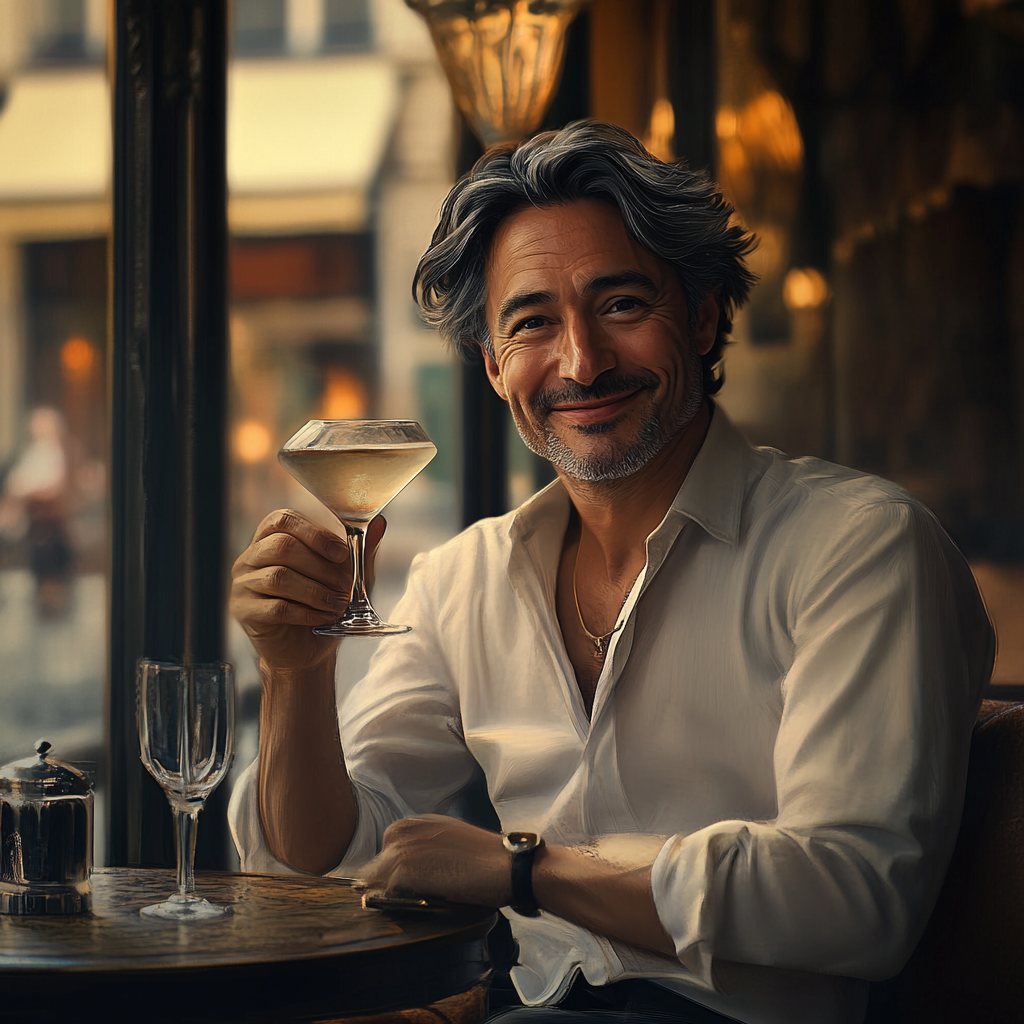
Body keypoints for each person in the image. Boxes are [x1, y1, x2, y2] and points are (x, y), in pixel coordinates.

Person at [229, 122, 994, 1024]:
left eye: (622, 304)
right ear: (494, 364)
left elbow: (857, 897)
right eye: (532, 323)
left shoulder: (861, 547)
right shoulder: (461, 578)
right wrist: (294, 673)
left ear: (705, 317)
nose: (581, 361)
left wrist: (524, 870)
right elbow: (318, 865)